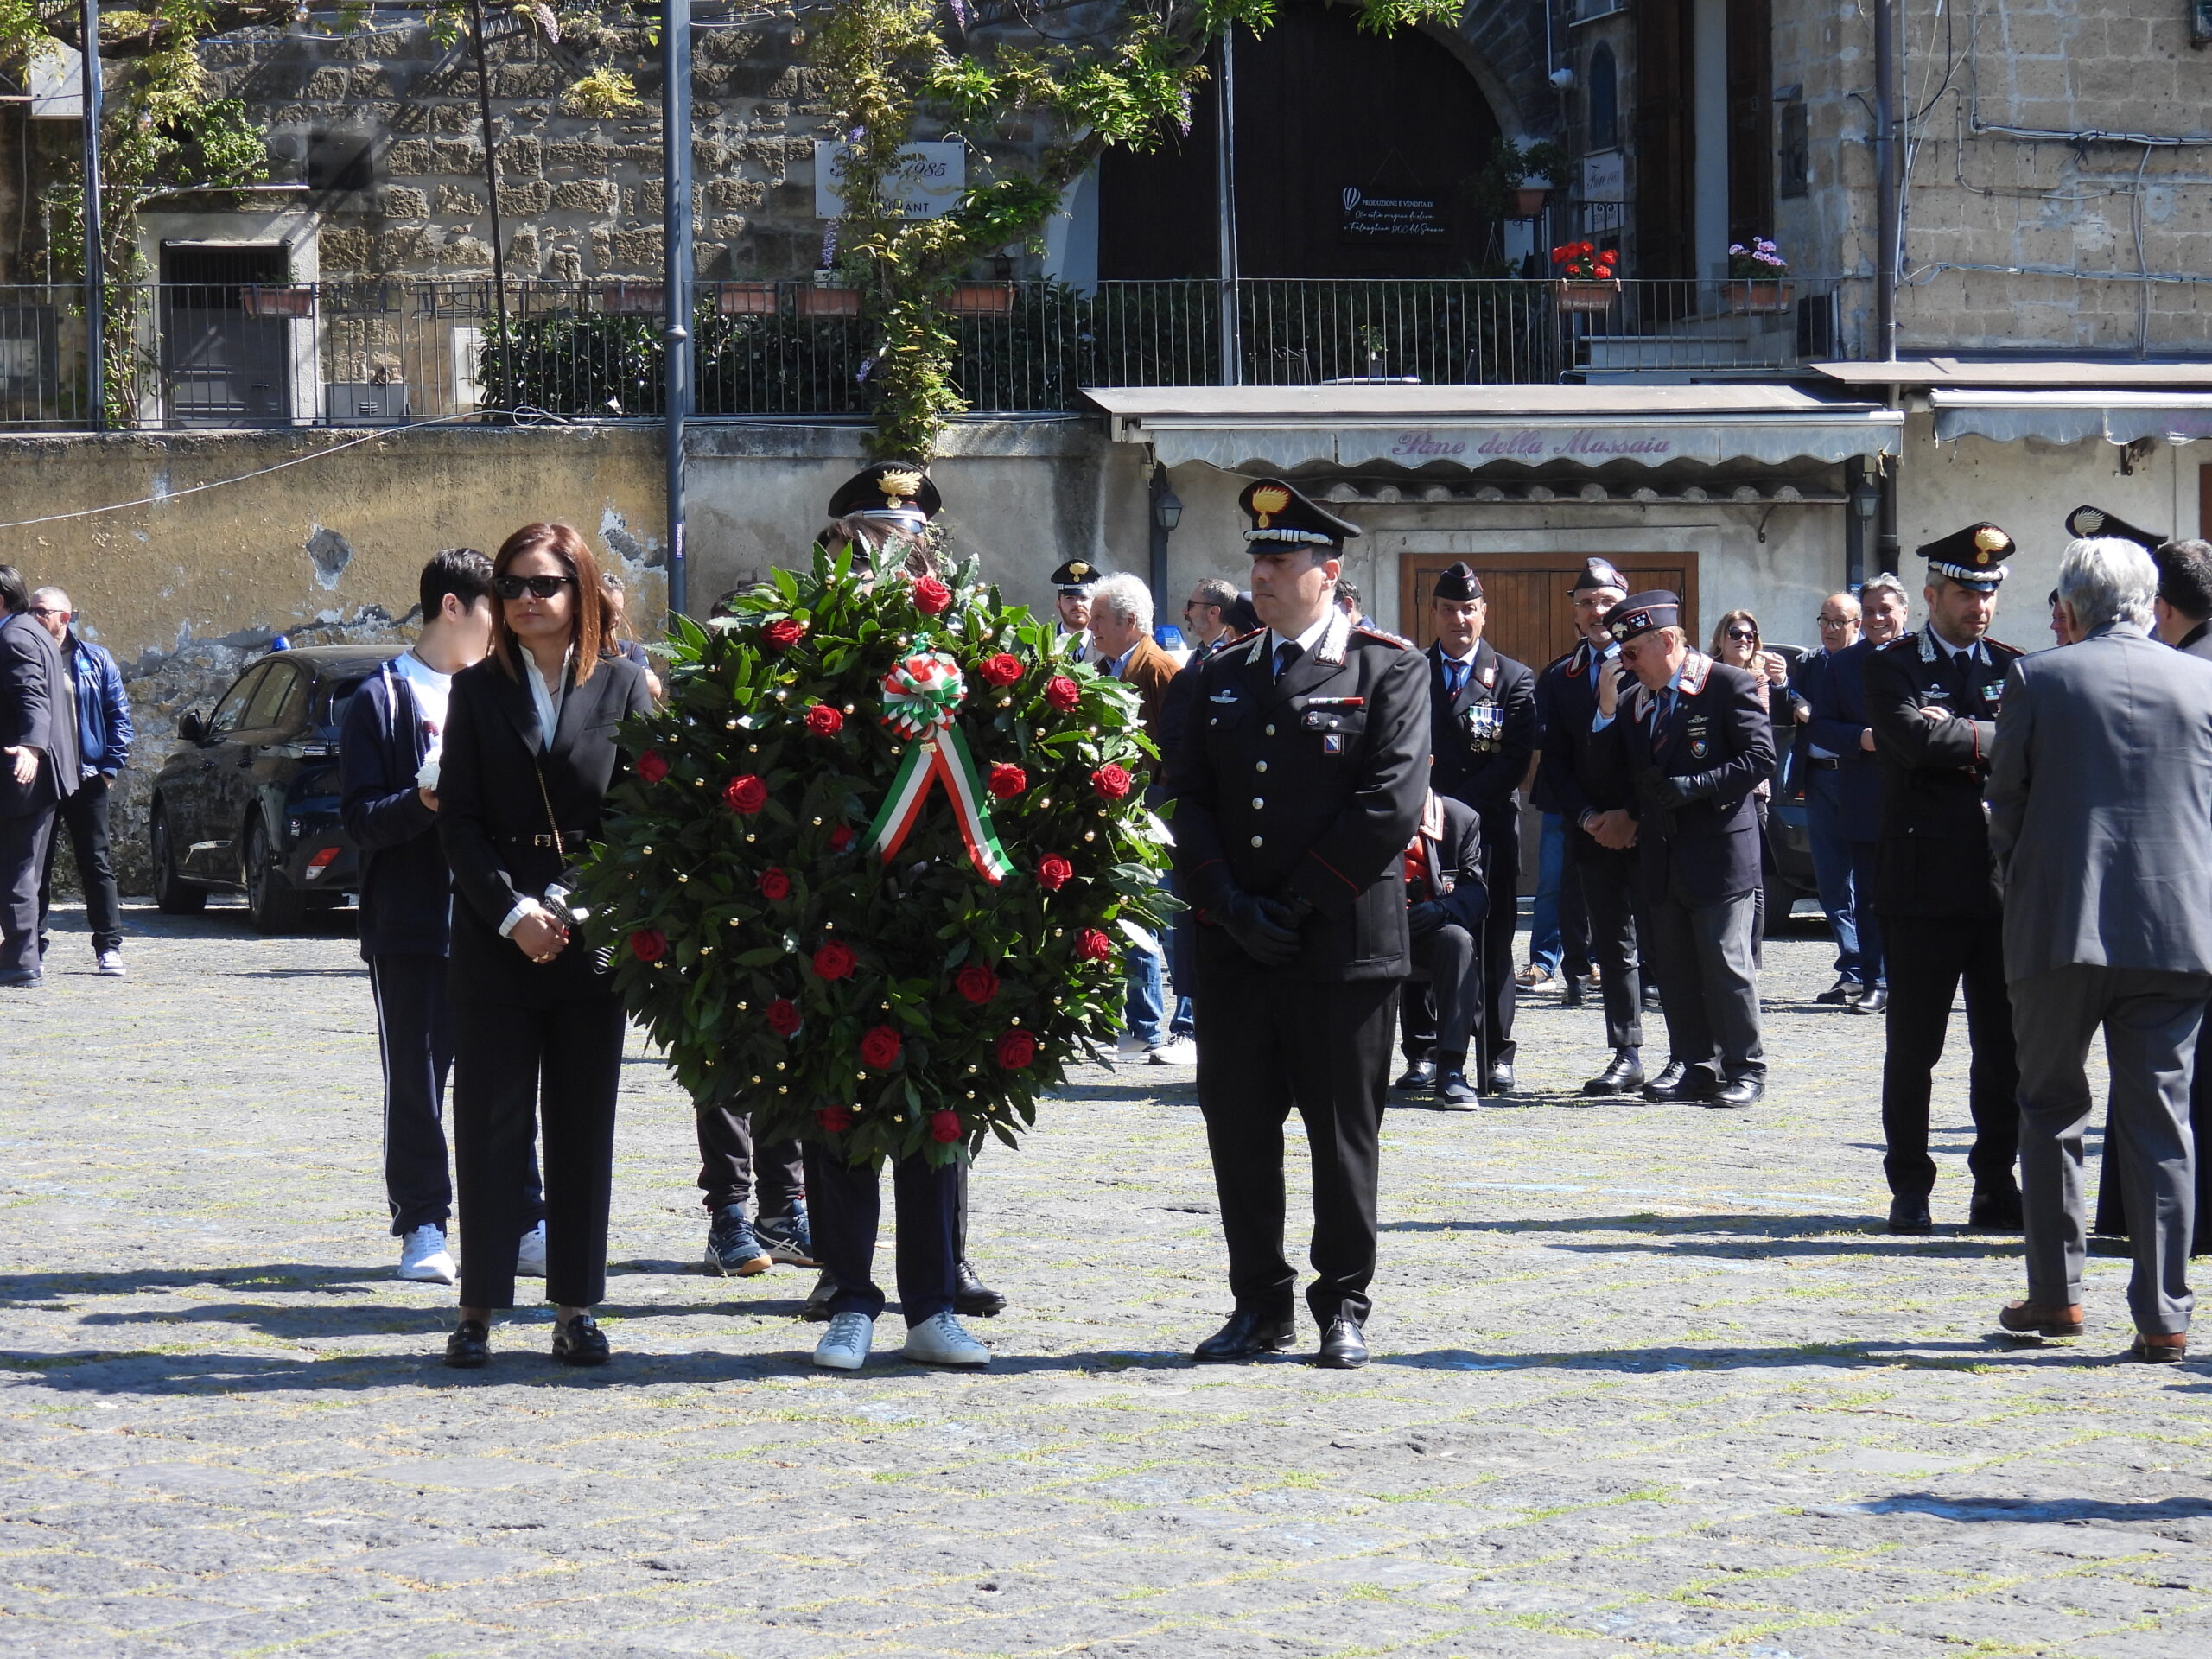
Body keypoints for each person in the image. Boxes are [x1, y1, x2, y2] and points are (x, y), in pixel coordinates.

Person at [1176, 477, 1427, 1369]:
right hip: (1237, 946)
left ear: (1328, 571)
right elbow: (1186, 798)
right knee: (1239, 1134)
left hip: (1339, 949)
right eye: (1256, 560)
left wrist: (1294, 904)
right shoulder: (1216, 672)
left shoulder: (1387, 666)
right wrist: (1229, 905)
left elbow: (1387, 804)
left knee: (1340, 1137)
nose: (1263, 576)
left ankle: (1342, 1302)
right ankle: (1258, 1303)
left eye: (1279, 561)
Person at [1987, 535, 2212, 1363]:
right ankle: (2164, 1314)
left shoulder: (2037, 678)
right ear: (2150, 605)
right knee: (2163, 1125)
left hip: (2059, 926)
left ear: (2070, 608)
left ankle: (2058, 1295)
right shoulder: (2202, 680)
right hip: (2175, 932)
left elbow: (2003, 798)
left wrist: (2014, 880)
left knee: (2050, 1111)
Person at [436, 523, 654, 1368]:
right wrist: (510, 912)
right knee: (489, 1127)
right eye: (514, 586)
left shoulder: (627, 687)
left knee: (579, 1128)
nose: (528, 599)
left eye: (546, 584)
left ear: (581, 591)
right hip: (494, 944)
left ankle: (575, 1308)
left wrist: (564, 903)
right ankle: (478, 1307)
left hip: (586, 942)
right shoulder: (476, 692)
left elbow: (634, 820)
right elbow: (456, 822)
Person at [340, 549, 552, 1288]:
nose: (508, 624)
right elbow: (359, 821)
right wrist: (422, 802)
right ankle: (423, 1223)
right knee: (418, 1085)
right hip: (414, 925)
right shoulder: (383, 699)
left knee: (507, 1081)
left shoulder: (504, 692)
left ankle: (525, 1220)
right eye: (496, 607)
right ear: (455, 609)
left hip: (495, 919)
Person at [1862, 524, 2025, 1236]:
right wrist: (1988, 738)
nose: (1978, 606)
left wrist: (1957, 733)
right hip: (1921, 886)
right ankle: (1910, 1187)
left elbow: (2016, 747)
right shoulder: (1891, 664)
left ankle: (1995, 1183)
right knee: (1915, 1048)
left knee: (2002, 1050)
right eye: (1965, 592)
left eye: (1987, 593)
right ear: (1932, 594)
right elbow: (1910, 741)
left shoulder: (2018, 667)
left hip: (1996, 887)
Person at [1597, 592, 1775, 1108]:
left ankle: (1746, 1067)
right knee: (1673, 965)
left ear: (1668, 641)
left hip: (1719, 851)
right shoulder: (1635, 701)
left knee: (1725, 963)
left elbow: (1760, 758)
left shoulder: (1726, 684)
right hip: (1662, 852)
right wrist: (1606, 712)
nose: (1624, 665)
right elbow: (1622, 774)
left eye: (1632, 653)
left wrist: (1696, 784)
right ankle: (1696, 1065)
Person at [1422, 563, 1537, 1095]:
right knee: (1421, 933)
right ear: (1435, 613)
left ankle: (1495, 1052)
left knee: (1491, 944)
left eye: (1469, 610)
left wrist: (1454, 810)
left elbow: (1512, 762)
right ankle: (1423, 1050)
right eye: (1449, 609)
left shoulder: (1512, 678)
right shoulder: (1408, 671)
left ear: (1483, 614)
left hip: (1486, 833)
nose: (1459, 619)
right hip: (1419, 833)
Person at [1535, 558, 1649, 1095]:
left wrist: (1632, 814)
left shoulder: (1652, 663)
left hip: (1652, 825)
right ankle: (1627, 1052)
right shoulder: (1560, 677)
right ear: (1574, 613)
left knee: (1667, 939)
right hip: (1593, 830)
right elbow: (1555, 763)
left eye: (1607, 601)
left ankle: (1691, 1052)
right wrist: (1587, 817)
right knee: (1614, 943)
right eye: (1587, 603)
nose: (1598, 611)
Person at [1087, 571, 1185, 1063]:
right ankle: (1143, 1022)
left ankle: (1184, 1024)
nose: (1091, 626)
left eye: (1101, 618)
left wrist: (1158, 803)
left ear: (1130, 620)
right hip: (1122, 807)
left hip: (1155, 807)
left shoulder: (1159, 669)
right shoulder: (1105, 665)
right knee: (1132, 913)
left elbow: (1175, 747)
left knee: (1165, 913)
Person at [1808, 572, 1909, 1019]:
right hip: (1866, 793)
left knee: (1924, 893)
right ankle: (1876, 980)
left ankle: (1917, 978)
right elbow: (1821, 724)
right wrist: (1858, 739)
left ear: (1905, 611)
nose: (1877, 618)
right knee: (1868, 893)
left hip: (1923, 795)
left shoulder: (1925, 657)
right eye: (1869, 611)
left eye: (1886, 610)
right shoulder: (1843, 664)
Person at [28, 588, 131, 977]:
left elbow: (119, 717)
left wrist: (108, 770)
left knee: (96, 862)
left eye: (41, 611)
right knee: (35, 866)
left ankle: (108, 946)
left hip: (87, 777)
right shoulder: (25, 654)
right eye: (30, 610)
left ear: (64, 617)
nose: (33, 617)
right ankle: (32, 946)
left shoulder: (94, 659)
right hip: (41, 778)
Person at [0, 564, 78, 990]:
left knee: (16, 868)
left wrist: (30, 746)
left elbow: (32, 695)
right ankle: (20, 954)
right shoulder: (33, 632)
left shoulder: (14, 636)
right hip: (39, 771)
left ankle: (20, 960)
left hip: (23, 770)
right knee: (22, 868)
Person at [1708, 609, 1796, 952]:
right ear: (1719, 638)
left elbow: (1753, 728)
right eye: (1736, 633)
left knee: (1753, 875)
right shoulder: (1704, 674)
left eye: (1750, 635)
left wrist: (1780, 682)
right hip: (1711, 785)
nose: (1744, 640)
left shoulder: (1758, 679)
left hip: (1749, 787)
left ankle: (1751, 954)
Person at [1792, 594, 1866, 1006]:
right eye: (1825, 620)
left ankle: (1872, 968)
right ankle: (1852, 966)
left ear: (1857, 624)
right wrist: (1792, 695)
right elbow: (1791, 706)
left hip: (1860, 778)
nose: (1830, 628)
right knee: (1832, 879)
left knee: (1866, 877)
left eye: (1839, 621)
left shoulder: (1870, 663)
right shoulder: (1810, 663)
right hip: (1818, 779)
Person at [1396, 787, 1488, 1106]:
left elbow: (1476, 892)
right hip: (1373, 927)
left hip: (1428, 929)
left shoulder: (1460, 818)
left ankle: (1451, 1068)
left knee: (1458, 941)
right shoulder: (1364, 806)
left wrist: (1442, 909)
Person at [1048, 558, 1098, 652]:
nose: (1077, 603)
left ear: (1094, 603)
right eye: (1069, 598)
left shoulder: (1109, 646)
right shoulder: (1043, 645)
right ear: (1058, 603)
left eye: (1084, 598)